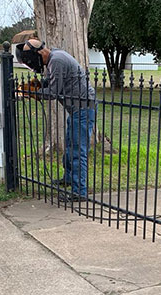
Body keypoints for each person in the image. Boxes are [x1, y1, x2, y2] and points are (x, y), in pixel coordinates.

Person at [16, 39, 96, 200]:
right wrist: (39, 85)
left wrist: (33, 93)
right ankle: (68, 178)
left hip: (83, 109)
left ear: (38, 54)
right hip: (76, 109)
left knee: (77, 150)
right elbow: (52, 82)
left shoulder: (56, 61)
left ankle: (79, 192)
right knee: (70, 146)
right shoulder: (55, 57)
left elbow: (52, 92)